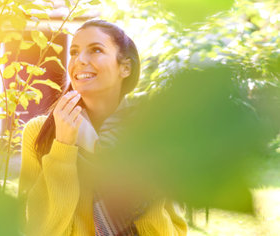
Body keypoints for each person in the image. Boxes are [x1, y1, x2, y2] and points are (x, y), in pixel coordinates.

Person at [19, 20, 187, 236]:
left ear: (125, 67)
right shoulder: (39, 133)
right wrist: (62, 148)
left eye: (96, 50)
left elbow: (174, 231)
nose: (79, 60)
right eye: (74, 52)